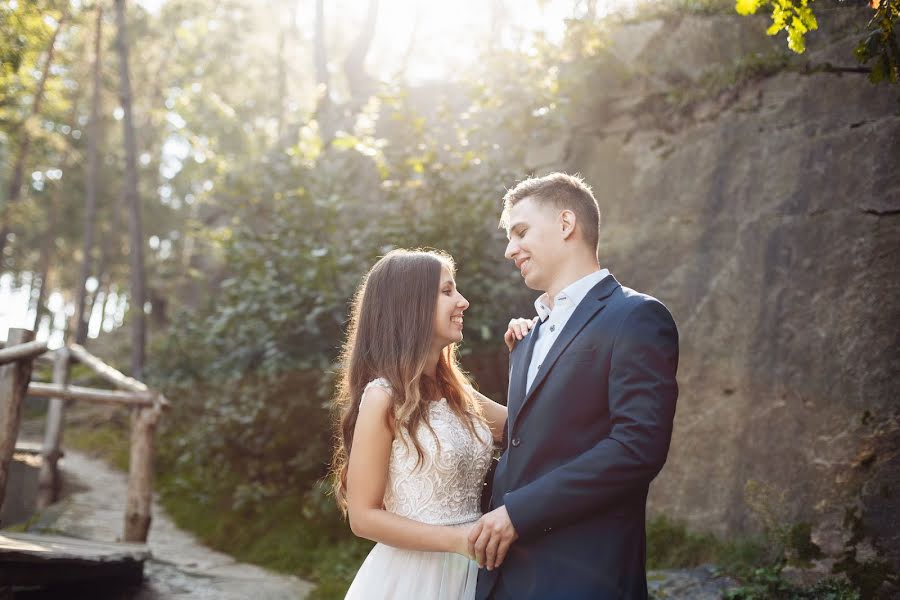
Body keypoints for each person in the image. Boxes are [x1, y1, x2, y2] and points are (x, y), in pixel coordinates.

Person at [470, 172, 680, 600]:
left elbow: (636, 448)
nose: (510, 250)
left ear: (566, 224)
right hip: (502, 576)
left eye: (520, 231)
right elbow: (530, 440)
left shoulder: (635, 317)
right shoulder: (526, 337)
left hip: (584, 575)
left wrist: (518, 514)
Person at [332, 248, 509, 600]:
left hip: (472, 574)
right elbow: (363, 517)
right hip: (415, 580)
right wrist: (458, 540)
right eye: (447, 292)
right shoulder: (382, 396)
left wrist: (531, 348)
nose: (463, 301)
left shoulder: (457, 391)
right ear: (410, 305)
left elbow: (525, 425)